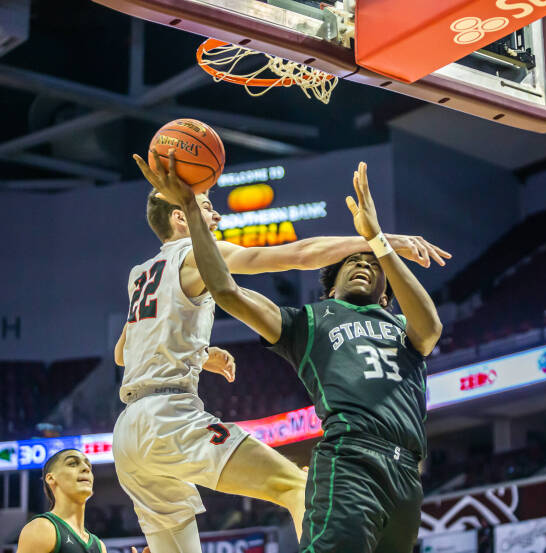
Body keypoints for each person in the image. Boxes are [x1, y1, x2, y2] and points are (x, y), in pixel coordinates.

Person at [112, 149, 450, 553]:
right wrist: (385, 242)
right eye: (206, 206)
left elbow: (123, 354)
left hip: (128, 433)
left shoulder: (140, 274)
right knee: (300, 487)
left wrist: (199, 354)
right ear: (181, 217)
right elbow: (297, 254)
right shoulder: (196, 253)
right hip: (168, 417)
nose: (217, 217)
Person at [16, 448, 148, 553]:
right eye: (72, 463)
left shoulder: (99, 545)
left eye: (88, 466)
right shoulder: (43, 528)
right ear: (51, 478)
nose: (86, 468)